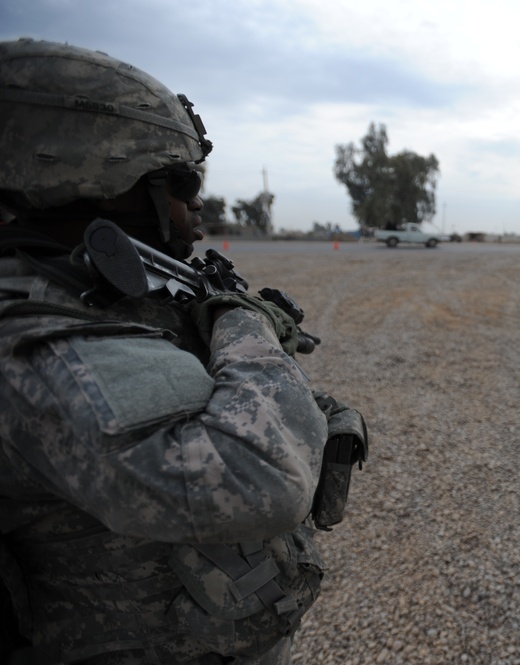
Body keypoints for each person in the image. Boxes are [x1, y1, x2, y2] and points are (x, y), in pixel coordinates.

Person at [0, 39, 358, 664]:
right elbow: (262, 480)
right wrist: (241, 323)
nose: (196, 202)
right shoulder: (39, 340)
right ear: (98, 178)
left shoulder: (94, 289)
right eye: (180, 180)